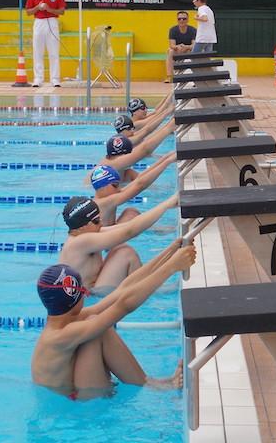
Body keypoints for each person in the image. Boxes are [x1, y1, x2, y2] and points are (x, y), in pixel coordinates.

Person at [32, 239, 195, 399]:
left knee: (95, 322)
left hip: (78, 391)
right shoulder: (60, 335)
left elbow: (122, 290)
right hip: (77, 401)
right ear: (74, 298)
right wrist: (171, 267)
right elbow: (124, 305)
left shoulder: (65, 320)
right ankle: (152, 385)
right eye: (82, 290)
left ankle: (152, 383)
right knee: (98, 328)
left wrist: (170, 253)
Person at [58, 193, 177, 291]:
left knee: (120, 247)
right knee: (125, 253)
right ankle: (148, 289)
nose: (101, 223)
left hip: (97, 288)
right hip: (92, 296)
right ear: (82, 226)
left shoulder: (84, 234)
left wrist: (166, 205)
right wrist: (166, 205)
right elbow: (129, 232)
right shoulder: (80, 242)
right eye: (97, 221)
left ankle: (146, 286)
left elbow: (129, 226)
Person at [91, 151, 177, 226]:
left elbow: (138, 180)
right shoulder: (104, 202)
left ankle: (156, 229)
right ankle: (159, 230)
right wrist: (167, 162)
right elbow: (140, 185)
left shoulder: (107, 196)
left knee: (130, 212)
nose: (118, 188)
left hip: (112, 229)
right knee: (131, 215)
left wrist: (166, 159)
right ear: (103, 186)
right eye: (115, 185)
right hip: (109, 238)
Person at [97, 120, 175, 183]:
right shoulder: (110, 165)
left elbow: (143, 181)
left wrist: (166, 159)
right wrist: (169, 127)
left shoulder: (127, 173)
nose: (131, 157)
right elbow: (144, 149)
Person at [25, 0, 66, 87]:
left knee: (54, 52)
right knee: (38, 51)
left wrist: (49, 9)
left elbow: (62, 11)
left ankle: (55, 78)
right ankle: (38, 78)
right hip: (39, 22)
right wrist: (37, 7)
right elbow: (28, 12)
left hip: (52, 22)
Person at [165, 10, 196, 82]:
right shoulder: (173, 30)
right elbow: (172, 45)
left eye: (184, 19)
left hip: (188, 50)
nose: (181, 20)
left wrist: (186, 47)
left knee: (194, 52)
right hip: (177, 50)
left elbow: (194, 45)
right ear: (177, 20)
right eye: (179, 19)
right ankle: (169, 76)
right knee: (170, 51)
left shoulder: (193, 30)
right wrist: (178, 47)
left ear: (187, 20)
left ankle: (194, 77)